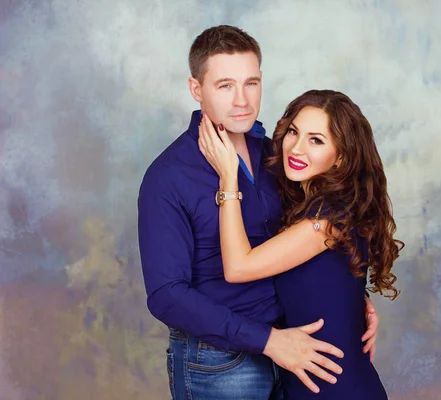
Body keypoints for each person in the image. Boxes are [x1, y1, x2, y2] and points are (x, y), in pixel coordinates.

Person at [137, 26, 380, 400]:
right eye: (224, 86)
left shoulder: (279, 156)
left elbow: (313, 244)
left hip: (296, 350)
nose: (242, 101)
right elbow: (166, 296)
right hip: (220, 363)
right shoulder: (168, 176)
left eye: (250, 83)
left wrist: (351, 301)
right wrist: (267, 341)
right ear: (196, 89)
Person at [197, 89, 404, 399]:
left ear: (342, 157)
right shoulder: (319, 207)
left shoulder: (329, 217)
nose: (296, 148)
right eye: (294, 132)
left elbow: (239, 267)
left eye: (316, 140)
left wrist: (229, 177)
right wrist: (356, 302)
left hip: (338, 391)